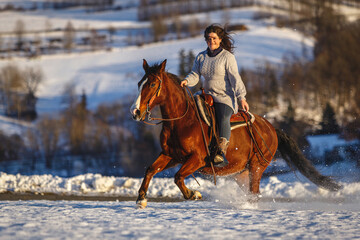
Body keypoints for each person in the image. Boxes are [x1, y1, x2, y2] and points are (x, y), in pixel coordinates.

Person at [180, 24, 249, 167]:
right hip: (206, 95)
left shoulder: (227, 57)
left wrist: (241, 97)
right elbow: (195, 74)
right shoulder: (201, 57)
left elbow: (235, 78)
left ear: (220, 39)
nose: (211, 41)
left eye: (214, 38)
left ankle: (220, 151)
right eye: (208, 38)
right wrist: (187, 81)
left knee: (223, 117)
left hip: (224, 97)